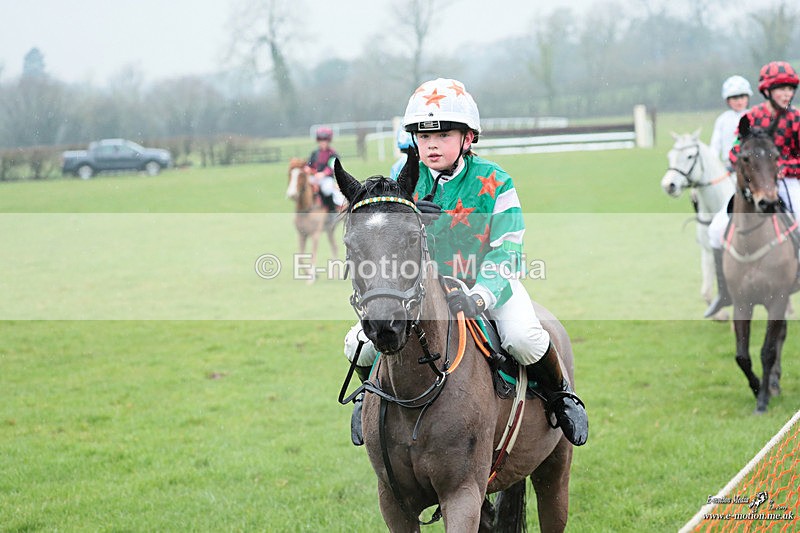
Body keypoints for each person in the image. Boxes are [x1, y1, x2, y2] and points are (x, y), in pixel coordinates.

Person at [344, 78, 588, 447]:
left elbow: (508, 250)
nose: (431, 144)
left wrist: (480, 297)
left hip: (485, 286)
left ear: (468, 138)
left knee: (524, 338)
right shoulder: (402, 178)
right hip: (419, 291)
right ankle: (368, 396)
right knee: (358, 344)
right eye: (423, 136)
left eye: (442, 134)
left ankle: (560, 396)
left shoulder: (496, 181)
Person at [705, 61, 800, 318]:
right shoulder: (752, 118)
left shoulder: (797, 118)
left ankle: (793, 278)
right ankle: (724, 292)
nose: (787, 94)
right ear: (767, 91)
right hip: (754, 183)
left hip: (789, 181)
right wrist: (752, 165)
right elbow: (736, 149)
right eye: (781, 89)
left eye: (790, 89)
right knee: (715, 230)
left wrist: (780, 167)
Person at [709, 75, 753, 164]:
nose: (739, 101)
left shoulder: (754, 116)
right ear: (728, 100)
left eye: (742, 97)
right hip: (728, 166)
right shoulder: (722, 120)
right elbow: (715, 146)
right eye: (735, 98)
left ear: (748, 98)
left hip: (750, 166)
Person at [305, 126, 344, 214]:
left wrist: (323, 174)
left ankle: (332, 211)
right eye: (321, 140)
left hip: (326, 178)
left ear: (328, 141)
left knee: (327, 189)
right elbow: (309, 164)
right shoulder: (315, 153)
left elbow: (332, 166)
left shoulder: (333, 153)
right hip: (314, 177)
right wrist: (307, 168)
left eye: (325, 140)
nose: (322, 142)